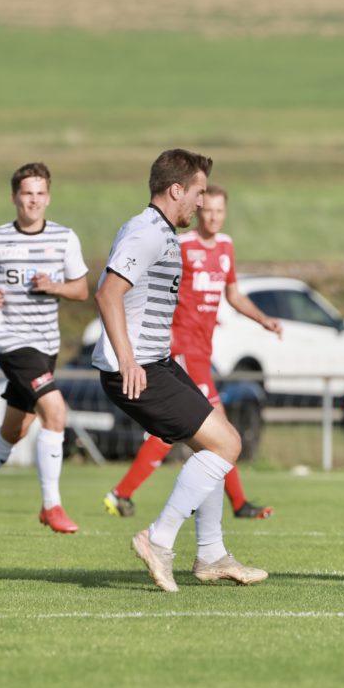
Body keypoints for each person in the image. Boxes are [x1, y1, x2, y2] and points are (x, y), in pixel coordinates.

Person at [93, 148, 265, 592]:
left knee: (212, 445)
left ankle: (210, 554)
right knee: (227, 444)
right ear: (175, 190)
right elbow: (108, 293)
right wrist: (128, 358)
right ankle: (158, 537)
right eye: (199, 192)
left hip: (157, 362)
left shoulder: (161, 232)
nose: (203, 203)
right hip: (138, 368)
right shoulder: (147, 232)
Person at [102, 185, 279, 521]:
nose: (212, 216)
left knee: (182, 433)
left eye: (218, 211)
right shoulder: (181, 246)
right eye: (207, 209)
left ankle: (122, 492)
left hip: (203, 350)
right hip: (181, 350)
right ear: (198, 211)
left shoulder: (225, 246)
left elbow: (234, 294)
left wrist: (263, 319)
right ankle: (238, 504)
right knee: (217, 429)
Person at [0, 163, 89, 536]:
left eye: (40, 193)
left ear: (48, 197)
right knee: (56, 413)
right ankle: (51, 506)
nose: (33, 200)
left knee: (15, 430)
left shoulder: (64, 238)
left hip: (47, 345)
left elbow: (81, 290)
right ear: (14, 197)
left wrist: (54, 286)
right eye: (26, 193)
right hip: (13, 343)